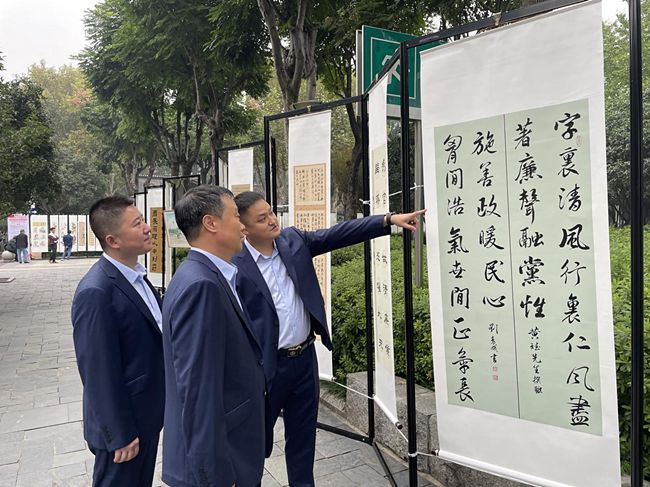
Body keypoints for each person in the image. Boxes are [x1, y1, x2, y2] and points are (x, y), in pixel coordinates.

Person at [232, 191, 425, 487]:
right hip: (267, 369)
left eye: (271, 212)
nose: (272, 220)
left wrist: (387, 220)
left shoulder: (292, 241)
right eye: (262, 218)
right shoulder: (235, 264)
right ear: (244, 228)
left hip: (304, 361)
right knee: (254, 445)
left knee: (303, 441)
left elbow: (337, 234)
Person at [162, 185, 265, 487]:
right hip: (222, 461)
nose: (243, 226)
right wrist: (214, 476)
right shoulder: (201, 286)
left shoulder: (206, 274)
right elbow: (198, 390)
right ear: (211, 223)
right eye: (236, 216)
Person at [71, 196, 164, 487]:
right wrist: (119, 433)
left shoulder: (137, 277)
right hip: (124, 430)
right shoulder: (96, 291)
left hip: (146, 416)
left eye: (143, 220)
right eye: (137, 224)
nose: (147, 228)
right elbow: (97, 370)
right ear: (113, 240)